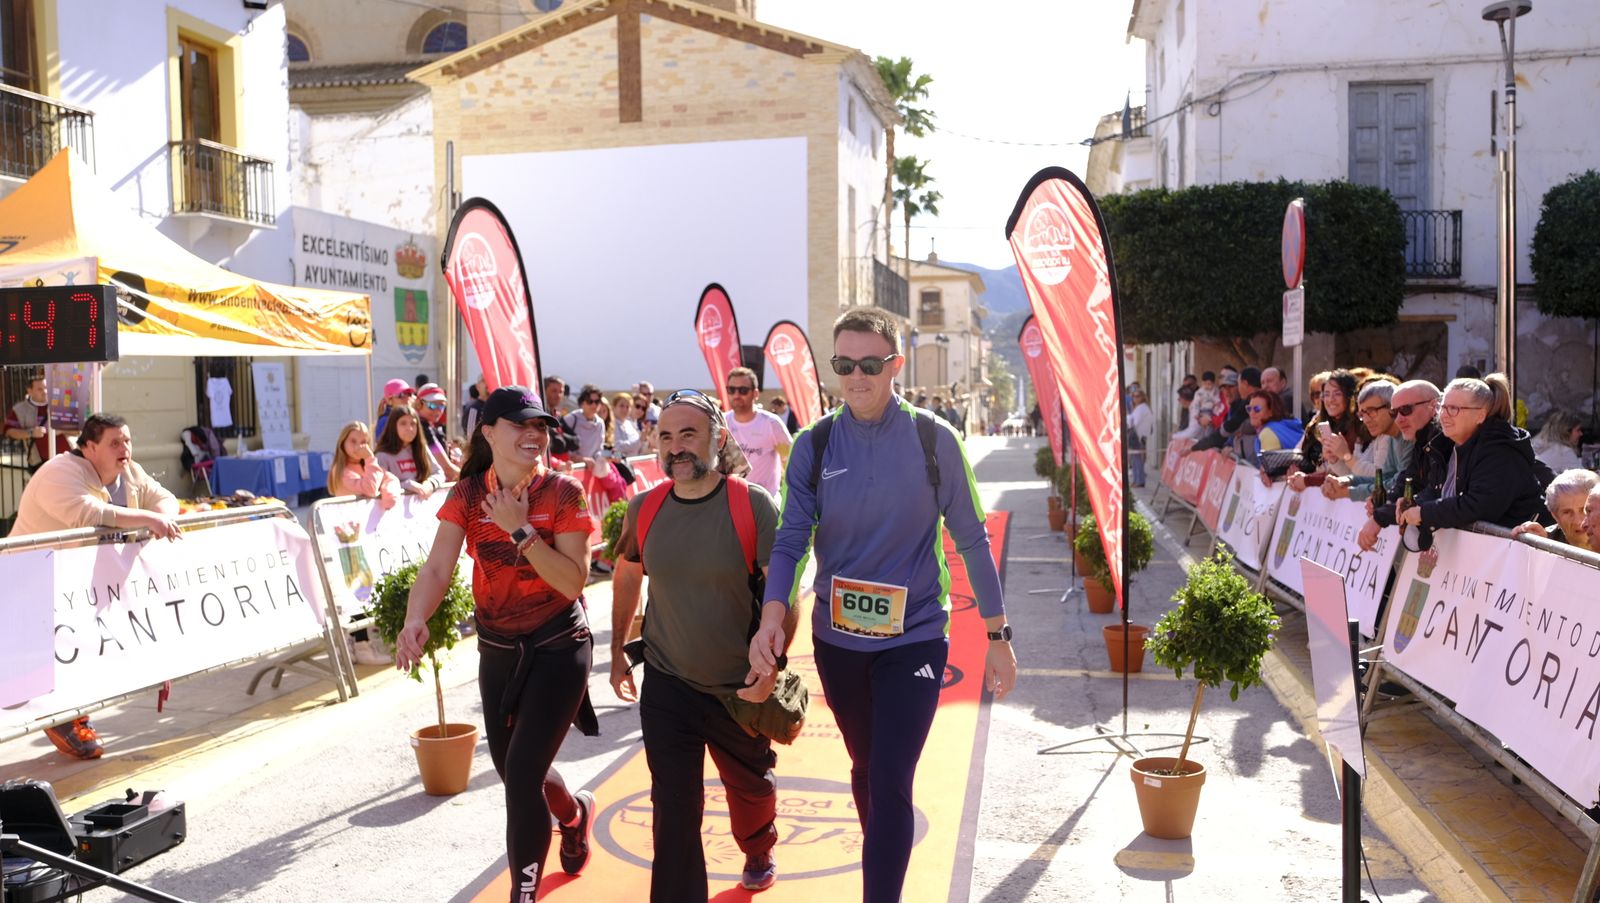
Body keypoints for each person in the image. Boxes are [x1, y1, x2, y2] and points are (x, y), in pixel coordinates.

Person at [749, 307, 1017, 903]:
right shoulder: (814, 444)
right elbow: (792, 538)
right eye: (844, 364)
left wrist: (998, 636)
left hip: (915, 636)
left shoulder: (933, 439)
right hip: (837, 641)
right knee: (867, 770)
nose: (856, 377)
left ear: (895, 365)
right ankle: (886, 856)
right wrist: (773, 614)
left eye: (870, 364)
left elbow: (971, 539)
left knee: (893, 778)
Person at [394, 386, 598, 901]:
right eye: (520, 425)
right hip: (501, 650)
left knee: (523, 774)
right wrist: (415, 618)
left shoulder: (563, 492)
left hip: (559, 644)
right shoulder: (466, 495)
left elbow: (573, 582)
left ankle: (521, 896)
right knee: (514, 771)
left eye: (541, 426)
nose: (535, 435)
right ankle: (573, 815)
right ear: (488, 432)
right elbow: (439, 566)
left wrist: (521, 530)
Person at [609, 391, 790, 899]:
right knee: (673, 807)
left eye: (688, 434)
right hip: (668, 682)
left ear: (719, 438)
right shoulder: (644, 508)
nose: (675, 447)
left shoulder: (751, 504)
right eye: (666, 436)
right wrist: (618, 652)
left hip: (739, 686)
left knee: (752, 791)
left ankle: (758, 845)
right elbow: (627, 578)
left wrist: (771, 664)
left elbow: (783, 593)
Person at [11, 412, 181, 760]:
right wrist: (150, 519)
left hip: (77, 584)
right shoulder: (58, 473)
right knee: (30, 668)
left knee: (79, 650)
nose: (125, 449)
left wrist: (162, 516)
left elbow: (162, 498)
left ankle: (71, 717)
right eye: (115, 443)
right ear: (89, 448)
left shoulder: (129, 471)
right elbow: (89, 514)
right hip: (26, 580)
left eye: (127, 440)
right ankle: (65, 719)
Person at [1391, 373, 1552, 536]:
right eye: (1443, 407)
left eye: (1454, 409)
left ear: (1480, 415)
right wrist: (1414, 503)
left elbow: (1479, 505)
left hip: (1519, 554)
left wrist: (1424, 513)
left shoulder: (1500, 450)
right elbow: (1437, 489)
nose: (1444, 415)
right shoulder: (1449, 444)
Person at [1359, 380, 1443, 552]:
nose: (1399, 419)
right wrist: (1384, 502)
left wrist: (1380, 516)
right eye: (1394, 413)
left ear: (1433, 406)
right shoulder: (1422, 439)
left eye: (1406, 410)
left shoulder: (1442, 440)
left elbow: (1435, 492)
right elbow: (1408, 478)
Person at [1323, 381, 1404, 501]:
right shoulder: (1369, 435)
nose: (1365, 420)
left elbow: (1390, 482)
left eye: (1371, 411)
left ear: (1391, 408)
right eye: (1362, 413)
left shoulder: (1397, 435)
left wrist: (1346, 457)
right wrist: (1337, 464)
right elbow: (1380, 478)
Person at [724, 367, 792, 498]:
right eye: (731, 390)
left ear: (755, 394)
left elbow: (790, 461)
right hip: (731, 501)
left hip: (765, 502)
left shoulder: (771, 423)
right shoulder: (722, 423)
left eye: (743, 390)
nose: (736, 395)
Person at [1287, 370, 1360, 493]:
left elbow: (1355, 477)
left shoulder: (1358, 428)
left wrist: (1308, 480)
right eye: (1326, 394)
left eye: (1337, 394)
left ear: (1350, 396)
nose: (1330, 400)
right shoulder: (1316, 424)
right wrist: (1292, 470)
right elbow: (1301, 455)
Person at [1512, 469, 1598, 552]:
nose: (1578, 521)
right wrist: (1538, 549)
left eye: (1586, 510)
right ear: (1555, 516)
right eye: (1567, 512)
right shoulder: (1544, 541)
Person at [327, 420, 400, 511]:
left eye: (363, 442)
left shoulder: (367, 466)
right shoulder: (340, 470)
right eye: (353, 441)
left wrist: (389, 496)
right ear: (343, 442)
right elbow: (370, 490)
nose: (358, 446)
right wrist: (369, 458)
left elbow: (390, 478)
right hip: (350, 521)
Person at [5, 375, 74, 468]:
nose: (45, 392)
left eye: (46, 387)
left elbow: (79, 430)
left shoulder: (62, 405)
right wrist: (31, 433)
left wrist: (61, 429)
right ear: (29, 391)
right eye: (40, 389)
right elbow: (9, 431)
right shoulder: (19, 410)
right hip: (39, 463)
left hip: (68, 459)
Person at [416, 383, 462, 481]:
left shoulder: (429, 426)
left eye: (441, 406)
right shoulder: (423, 428)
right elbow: (447, 468)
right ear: (419, 404)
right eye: (432, 405)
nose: (437, 410)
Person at [1242, 389, 1304, 457]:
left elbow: (1268, 467)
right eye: (1249, 409)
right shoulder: (1285, 426)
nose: (1251, 413)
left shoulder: (1268, 433)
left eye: (1257, 409)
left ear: (1271, 412)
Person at [1127, 387, 1154, 487]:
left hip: (1138, 436)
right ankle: (1136, 479)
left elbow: (1135, 422)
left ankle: (1139, 480)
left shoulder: (1142, 408)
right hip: (1138, 435)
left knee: (1137, 459)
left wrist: (1128, 421)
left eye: (1137, 396)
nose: (1135, 398)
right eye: (1133, 396)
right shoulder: (1138, 408)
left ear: (1142, 397)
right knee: (1134, 459)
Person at [611, 391, 645, 457]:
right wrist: (639, 441)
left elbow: (639, 446)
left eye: (628, 407)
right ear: (614, 407)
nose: (625, 409)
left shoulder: (630, 424)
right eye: (621, 406)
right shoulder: (611, 425)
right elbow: (618, 447)